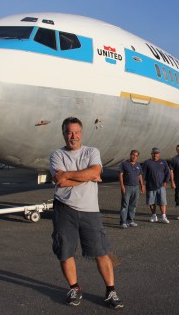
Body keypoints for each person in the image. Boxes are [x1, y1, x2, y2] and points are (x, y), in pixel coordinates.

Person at [50, 116, 123, 309]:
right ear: (63, 133)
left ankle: (111, 291)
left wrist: (68, 174)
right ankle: (74, 287)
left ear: (81, 133)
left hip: (90, 210)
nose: (73, 136)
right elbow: (62, 182)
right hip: (64, 210)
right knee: (65, 252)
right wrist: (88, 176)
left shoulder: (92, 151)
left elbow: (94, 171)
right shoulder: (57, 155)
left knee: (101, 252)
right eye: (69, 132)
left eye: (76, 132)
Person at [142, 147, 171, 224]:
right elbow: (143, 175)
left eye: (157, 153)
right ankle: (154, 216)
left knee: (162, 202)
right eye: (154, 153)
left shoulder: (163, 162)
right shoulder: (147, 162)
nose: (155, 155)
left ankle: (164, 217)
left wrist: (166, 181)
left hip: (161, 186)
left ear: (159, 154)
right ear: (151, 154)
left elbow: (167, 172)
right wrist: (142, 184)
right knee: (151, 202)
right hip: (150, 186)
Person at [119, 149, 145, 228]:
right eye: (133, 155)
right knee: (125, 204)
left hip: (136, 187)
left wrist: (142, 185)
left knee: (133, 205)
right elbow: (121, 175)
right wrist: (122, 186)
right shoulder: (124, 164)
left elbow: (140, 175)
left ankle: (130, 220)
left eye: (136, 156)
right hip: (127, 187)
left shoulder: (138, 165)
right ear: (130, 155)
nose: (134, 157)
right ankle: (123, 222)